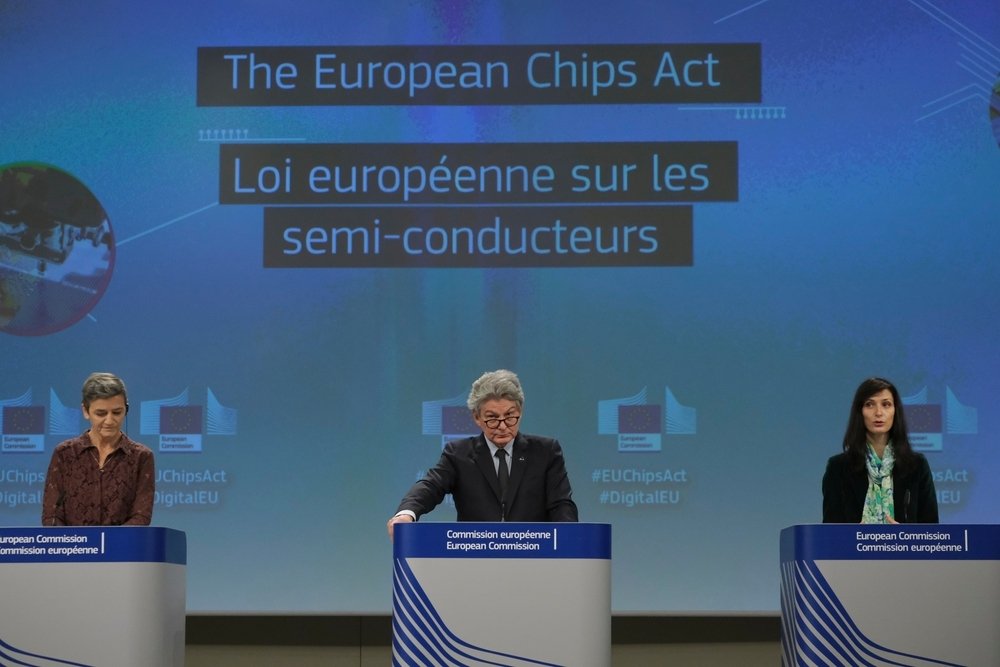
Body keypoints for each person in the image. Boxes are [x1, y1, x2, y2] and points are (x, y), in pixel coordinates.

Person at [387, 369, 577, 539]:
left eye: (510, 417)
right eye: (492, 418)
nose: (503, 426)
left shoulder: (546, 452)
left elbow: (561, 504)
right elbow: (431, 485)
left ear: (521, 411)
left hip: (535, 557)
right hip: (475, 557)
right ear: (476, 418)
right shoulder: (458, 454)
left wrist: (568, 540)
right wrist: (406, 513)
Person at [41, 372, 155, 526]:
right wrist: (77, 546)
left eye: (117, 412)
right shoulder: (65, 453)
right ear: (85, 411)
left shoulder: (141, 457)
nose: (109, 420)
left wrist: (105, 545)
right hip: (73, 548)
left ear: (126, 410)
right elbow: (52, 516)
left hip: (121, 548)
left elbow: (141, 517)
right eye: (101, 413)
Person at [822, 377, 938, 524]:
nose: (878, 412)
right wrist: (851, 537)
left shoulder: (917, 465)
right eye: (869, 404)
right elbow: (829, 533)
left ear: (895, 411)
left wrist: (907, 537)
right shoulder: (838, 467)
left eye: (886, 404)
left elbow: (932, 531)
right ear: (860, 412)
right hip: (853, 547)